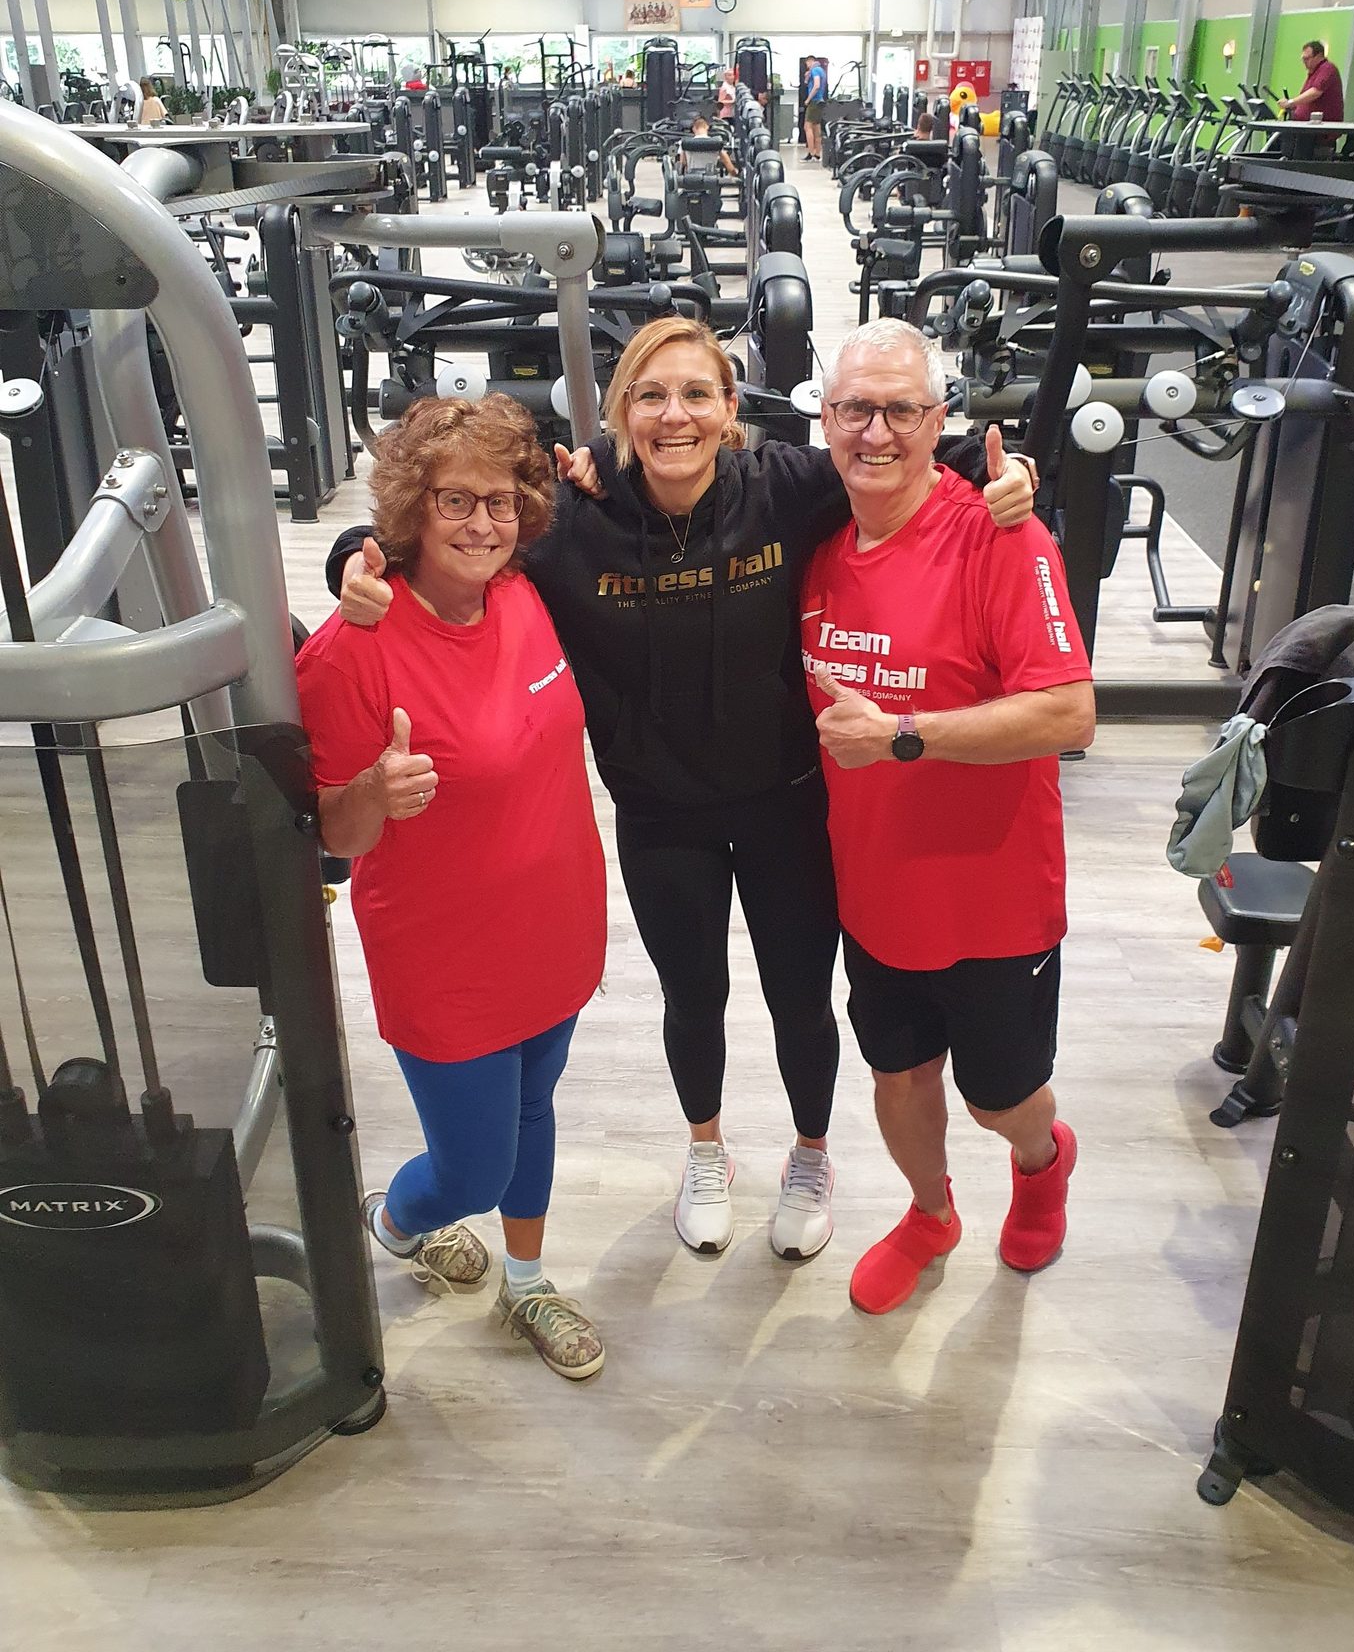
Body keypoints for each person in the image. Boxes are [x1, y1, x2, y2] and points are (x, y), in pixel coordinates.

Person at [328, 318, 1038, 1266]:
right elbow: (441, 534)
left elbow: (891, 448)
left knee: (799, 996)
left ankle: (811, 1154)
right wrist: (350, 555)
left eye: (698, 394)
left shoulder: (786, 488)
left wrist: (1009, 468)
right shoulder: (575, 520)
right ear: (620, 414)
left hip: (785, 799)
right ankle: (705, 1150)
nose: (676, 415)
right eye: (652, 396)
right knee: (691, 994)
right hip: (662, 814)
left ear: (731, 411)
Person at [297, 395, 607, 1381]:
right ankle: (394, 1218)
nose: (483, 523)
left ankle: (527, 1282)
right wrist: (372, 794)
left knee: (533, 1112)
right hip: (446, 959)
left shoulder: (523, 592)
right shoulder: (355, 650)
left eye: (502, 500)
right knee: (474, 1166)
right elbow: (332, 835)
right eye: (455, 502)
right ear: (409, 511)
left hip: (555, 931)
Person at [800, 318, 1095, 1316]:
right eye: (853, 409)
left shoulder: (1004, 536)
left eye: (898, 410)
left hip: (994, 900)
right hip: (876, 891)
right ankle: (931, 1214)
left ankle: (1042, 1158)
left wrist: (904, 736)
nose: (873, 432)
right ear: (824, 418)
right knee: (898, 1077)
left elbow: (1069, 711)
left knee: (996, 1097)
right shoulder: (817, 547)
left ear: (938, 421)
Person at [1279, 40, 1344, 123]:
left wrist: (1291, 102)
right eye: (1303, 59)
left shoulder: (1327, 68)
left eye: (1307, 58)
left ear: (1319, 56)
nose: (1304, 62)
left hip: (1320, 127)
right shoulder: (1313, 73)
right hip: (1306, 125)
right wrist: (1292, 105)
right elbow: (1306, 99)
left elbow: (1315, 92)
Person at [682, 112, 738, 178]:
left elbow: (683, 164)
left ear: (693, 128)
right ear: (707, 127)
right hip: (711, 180)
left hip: (692, 179)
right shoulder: (716, 142)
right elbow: (729, 166)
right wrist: (735, 173)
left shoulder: (685, 143)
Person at [802, 56, 828, 162]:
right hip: (821, 101)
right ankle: (817, 153)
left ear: (810, 61)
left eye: (807, 64)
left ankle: (811, 153)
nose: (807, 67)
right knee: (817, 128)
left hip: (814, 101)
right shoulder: (821, 70)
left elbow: (816, 85)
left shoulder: (815, 70)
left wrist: (808, 99)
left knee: (807, 127)